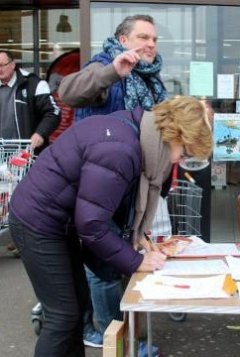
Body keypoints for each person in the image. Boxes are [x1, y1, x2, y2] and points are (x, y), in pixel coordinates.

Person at [9, 95, 213, 357]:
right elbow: (92, 224)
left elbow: (107, 202)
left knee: (78, 308)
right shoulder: (120, 149)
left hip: (57, 220)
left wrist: (136, 238)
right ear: (174, 132)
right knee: (63, 316)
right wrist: (135, 261)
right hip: (37, 221)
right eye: (183, 152)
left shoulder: (139, 132)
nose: (177, 160)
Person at [58, 14, 169, 347]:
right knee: (103, 262)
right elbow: (69, 91)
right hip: (100, 182)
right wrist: (111, 72)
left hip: (130, 182)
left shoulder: (151, 78)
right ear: (123, 41)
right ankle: (112, 337)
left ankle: (120, 331)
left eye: (154, 38)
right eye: (143, 37)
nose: (150, 44)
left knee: (123, 255)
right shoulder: (104, 66)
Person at [0, 49, 60, 256]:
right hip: (2, 154)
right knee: (4, 199)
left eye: (2, 65)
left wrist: (39, 134)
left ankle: (24, 239)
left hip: (25, 154)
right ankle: (13, 236)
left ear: (12, 64)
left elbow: (53, 113)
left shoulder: (33, 84)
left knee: (24, 199)